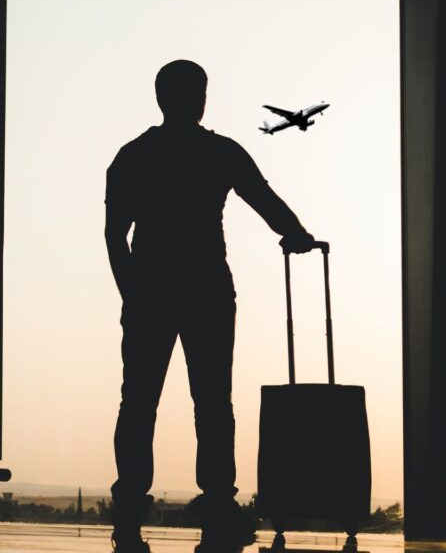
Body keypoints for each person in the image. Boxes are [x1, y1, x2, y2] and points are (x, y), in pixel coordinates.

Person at [105, 59, 316, 551]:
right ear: (200, 98)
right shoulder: (219, 152)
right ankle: (218, 502)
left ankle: (130, 507)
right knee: (213, 404)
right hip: (207, 291)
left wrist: (131, 293)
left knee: (138, 403)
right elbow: (262, 199)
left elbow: (116, 235)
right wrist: (298, 235)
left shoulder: (133, 157)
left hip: (151, 290)